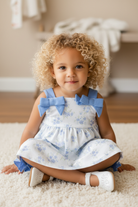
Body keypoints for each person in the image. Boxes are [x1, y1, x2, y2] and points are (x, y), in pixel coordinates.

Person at [1, 33, 135, 191]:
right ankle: (85, 178)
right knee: (27, 150)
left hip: (84, 152)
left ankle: (49, 174)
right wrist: (19, 162)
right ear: (52, 72)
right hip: (51, 151)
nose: (70, 73)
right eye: (62, 67)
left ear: (89, 69)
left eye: (78, 66)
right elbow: (30, 130)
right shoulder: (45, 97)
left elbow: (106, 132)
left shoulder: (96, 98)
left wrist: (115, 161)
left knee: (112, 151)